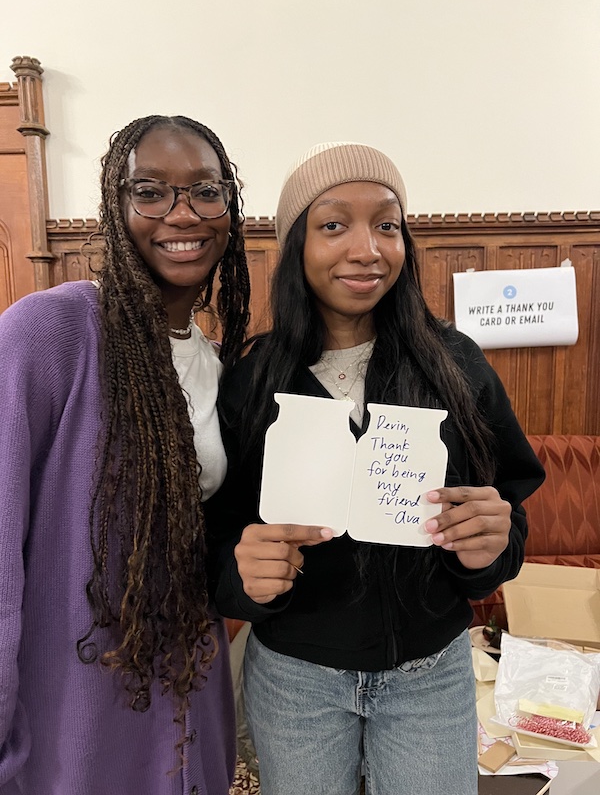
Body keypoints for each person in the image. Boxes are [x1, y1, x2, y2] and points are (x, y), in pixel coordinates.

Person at [207, 142, 545, 795]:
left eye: (387, 224)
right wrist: (241, 574)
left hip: (431, 674)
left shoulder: (456, 365)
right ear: (296, 244)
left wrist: (491, 546)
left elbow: (509, 503)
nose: (367, 249)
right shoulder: (251, 383)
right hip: (297, 678)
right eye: (334, 224)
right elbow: (216, 540)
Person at [0, 114, 250, 795]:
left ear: (230, 208)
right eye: (151, 191)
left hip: (184, 701)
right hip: (67, 713)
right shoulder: (51, 334)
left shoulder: (223, 370)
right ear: (115, 207)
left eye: (205, 191)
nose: (182, 213)